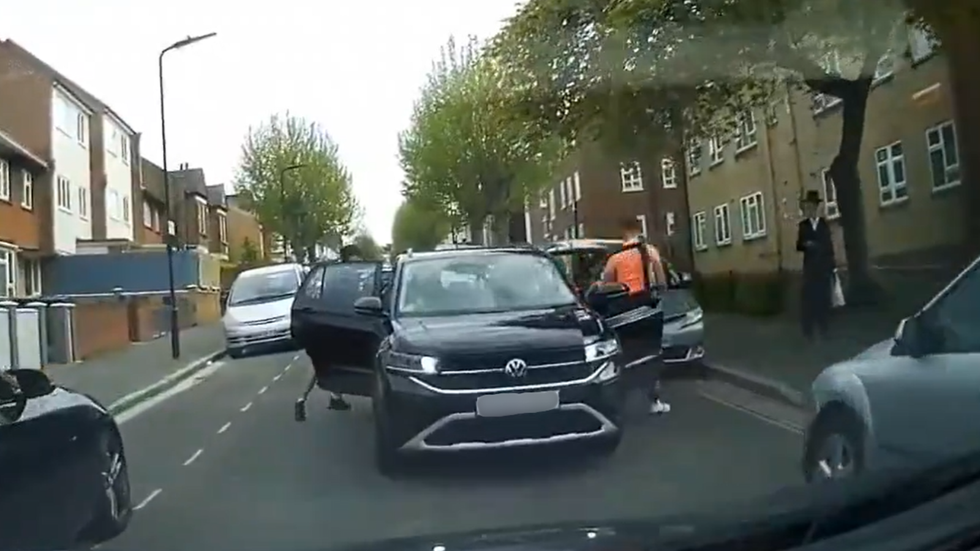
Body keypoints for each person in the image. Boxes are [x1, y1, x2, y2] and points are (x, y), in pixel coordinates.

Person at [601, 218, 671, 415]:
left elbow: (606, 283)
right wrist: (661, 294)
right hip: (647, 307)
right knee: (652, 352)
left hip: (623, 309)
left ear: (623, 234)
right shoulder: (650, 252)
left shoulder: (615, 259)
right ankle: (654, 401)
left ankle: (620, 400)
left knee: (624, 354)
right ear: (639, 232)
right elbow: (661, 279)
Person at [322, 244, 365, 411]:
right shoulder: (341, 277)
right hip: (342, 320)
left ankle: (335, 395)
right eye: (354, 261)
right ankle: (335, 395)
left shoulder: (344, 275)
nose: (357, 265)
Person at [796, 190, 837, 340]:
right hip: (810, 269)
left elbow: (829, 245)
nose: (810, 210)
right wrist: (807, 244)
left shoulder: (823, 225)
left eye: (813, 207)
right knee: (809, 300)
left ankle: (824, 329)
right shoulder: (803, 226)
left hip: (823, 268)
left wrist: (832, 266)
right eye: (808, 207)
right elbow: (798, 245)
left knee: (823, 299)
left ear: (817, 207)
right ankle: (808, 331)